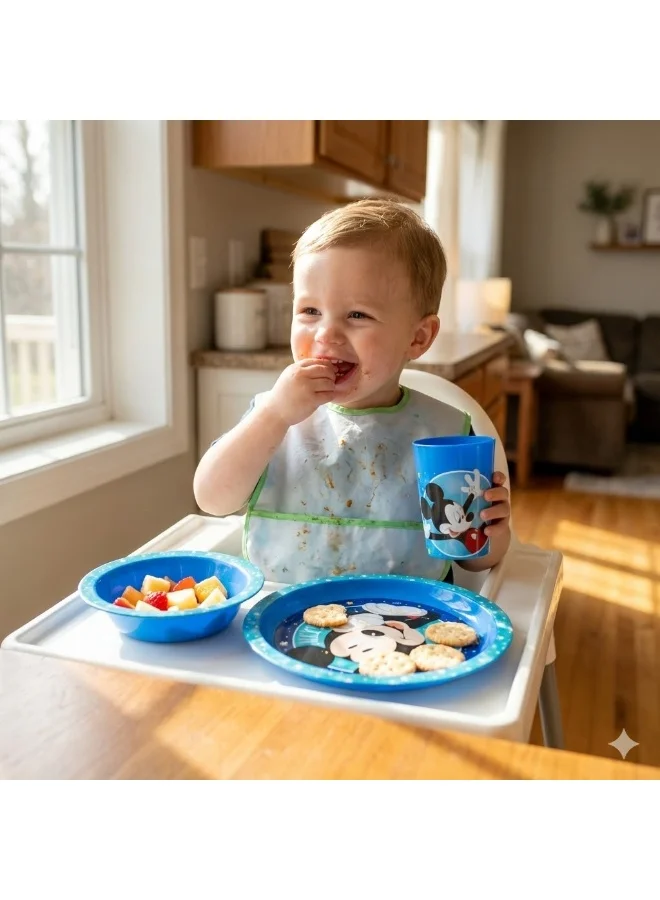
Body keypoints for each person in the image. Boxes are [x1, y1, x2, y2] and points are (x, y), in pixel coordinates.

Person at [194, 199, 511, 584]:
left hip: (407, 623)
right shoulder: (275, 419)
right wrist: (274, 416)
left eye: (357, 315)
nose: (325, 334)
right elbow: (212, 500)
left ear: (418, 337)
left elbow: (473, 560)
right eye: (310, 312)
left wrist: (493, 534)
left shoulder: (442, 433)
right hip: (280, 618)